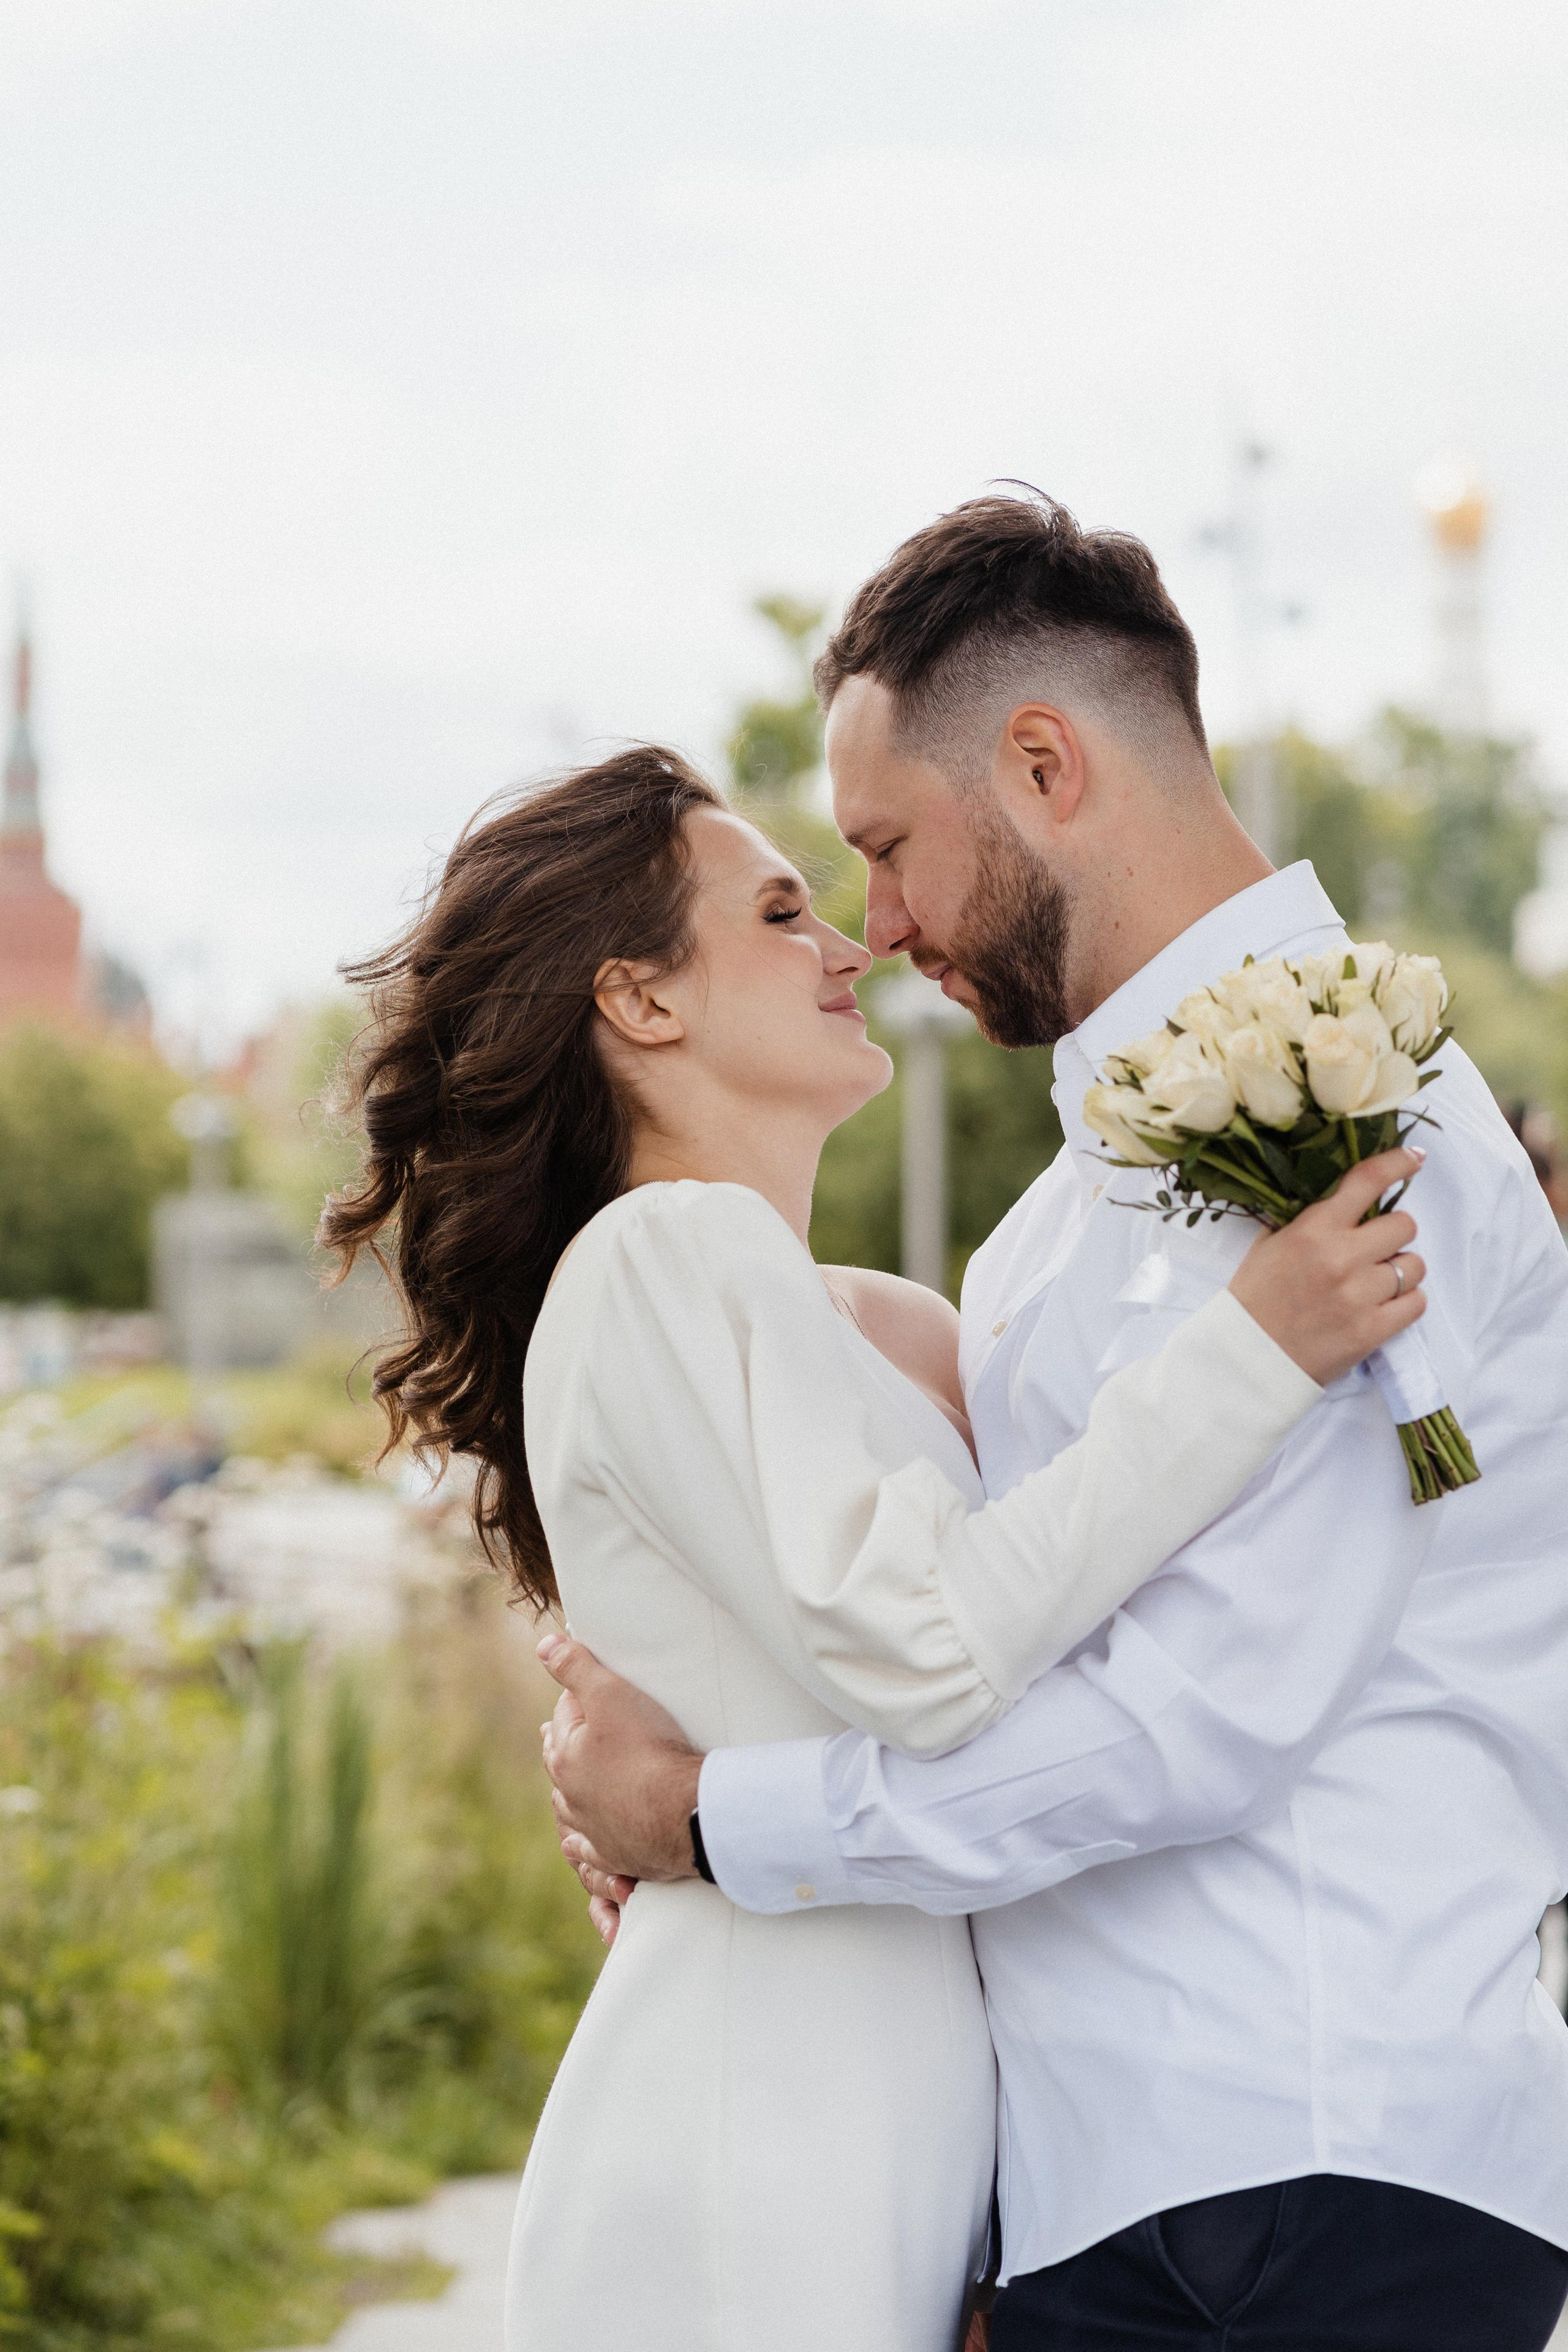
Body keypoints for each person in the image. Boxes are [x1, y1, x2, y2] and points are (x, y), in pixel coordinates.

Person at [542, 493, 1568, 2352]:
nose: (878, 927)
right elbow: (968, 1621)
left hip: (1298, 2150)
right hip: (1121, 2188)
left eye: (886, 849)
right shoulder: (1038, 1239)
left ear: (1042, 765)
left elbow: (1189, 1728)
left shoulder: (1353, 1132)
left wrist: (716, 1818)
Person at [319, 739, 1427, 2352]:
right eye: (780, 913)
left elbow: (1054, 1636)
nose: (850, 945)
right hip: (752, 2127)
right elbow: (931, 1647)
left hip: (917, 2146)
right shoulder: (657, 1252)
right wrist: (1256, 1352)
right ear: (641, 1000)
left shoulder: (895, 1326)